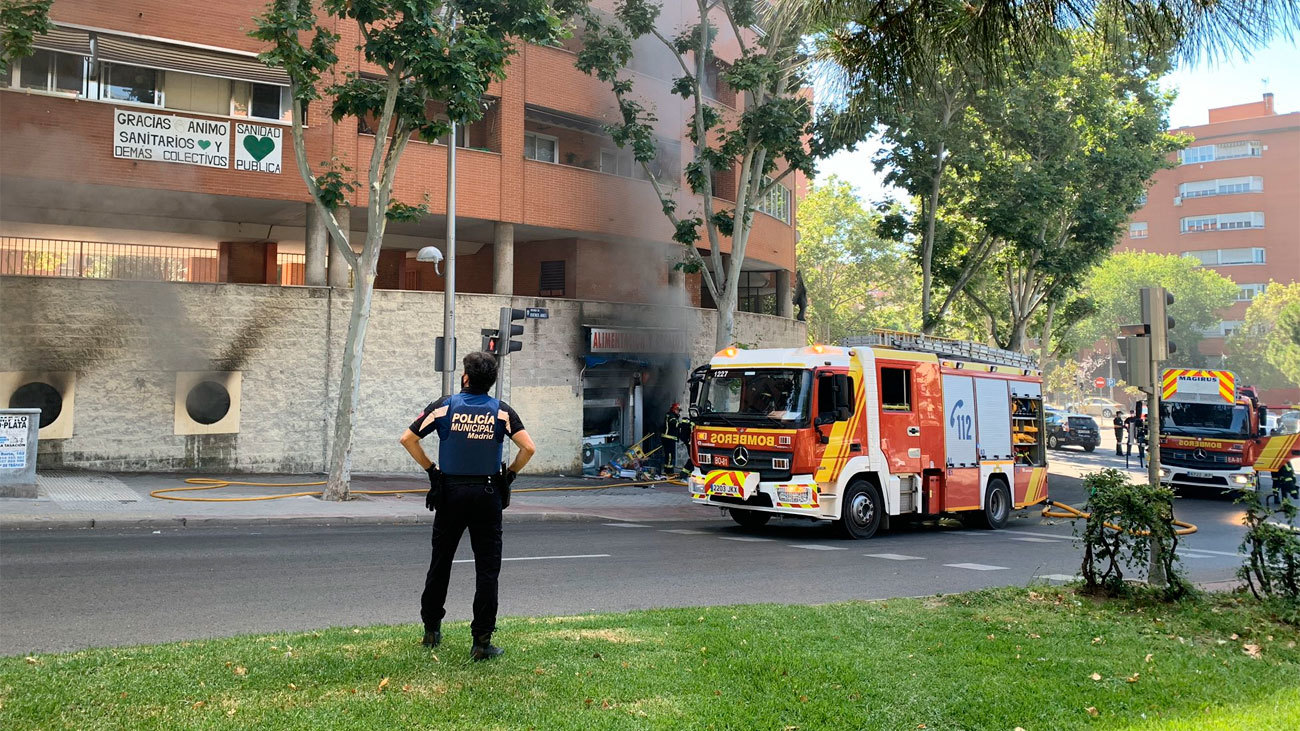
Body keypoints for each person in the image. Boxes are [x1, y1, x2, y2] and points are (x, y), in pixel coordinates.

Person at [399, 352, 536, 661]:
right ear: (491, 382)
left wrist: (432, 472)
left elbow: (408, 439)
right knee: (487, 569)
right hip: (487, 493)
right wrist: (509, 475)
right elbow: (528, 448)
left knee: (441, 561)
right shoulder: (502, 412)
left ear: (465, 378)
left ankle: (432, 630)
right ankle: (482, 641)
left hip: (450, 492)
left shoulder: (444, 406)